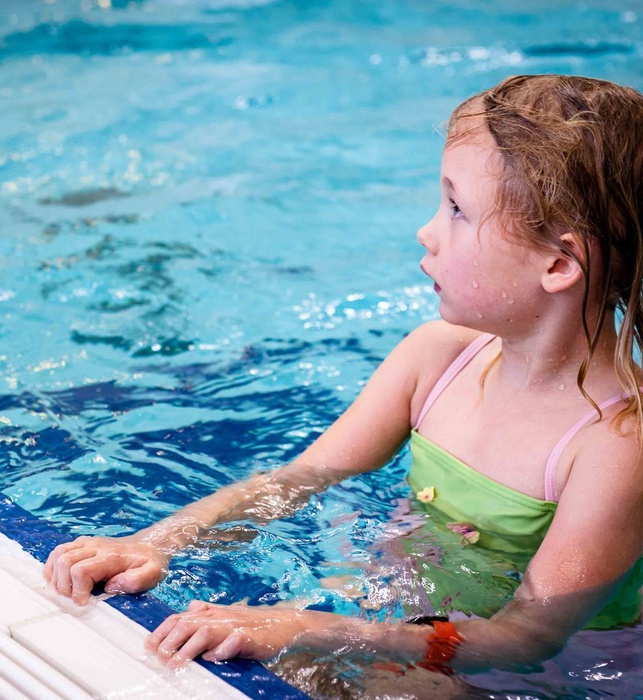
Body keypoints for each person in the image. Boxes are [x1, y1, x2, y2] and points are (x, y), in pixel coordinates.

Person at [43, 74, 643, 676]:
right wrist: (155, 542)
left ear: (559, 264)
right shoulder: (438, 357)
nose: (427, 231)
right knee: (239, 649)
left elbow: (529, 636)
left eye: (457, 210)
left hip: (549, 670)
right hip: (410, 611)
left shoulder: (614, 443)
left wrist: (313, 627)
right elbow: (298, 480)